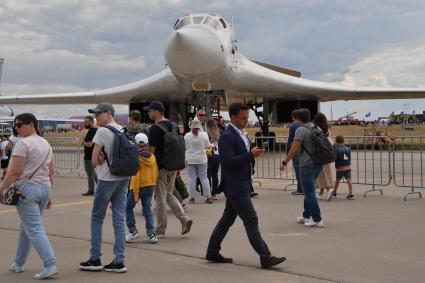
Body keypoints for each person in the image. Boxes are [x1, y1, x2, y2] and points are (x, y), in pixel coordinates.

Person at [206, 102, 286, 269]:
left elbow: (241, 154)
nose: (245, 120)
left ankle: (212, 251)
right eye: (243, 118)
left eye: (247, 117)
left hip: (241, 183)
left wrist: (252, 152)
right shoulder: (227, 136)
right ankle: (265, 256)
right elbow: (227, 161)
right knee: (251, 219)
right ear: (233, 117)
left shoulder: (241, 133)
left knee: (226, 220)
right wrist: (250, 155)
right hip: (235, 185)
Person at [0, 113, 57, 280]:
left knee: (34, 229)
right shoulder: (46, 143)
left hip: (27, 191)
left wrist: (1, 188)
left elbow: (14, 172)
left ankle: (50, 263)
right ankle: (18, 263)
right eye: (15, 125)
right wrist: (50, 194)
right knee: (27, 227)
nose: (17, 128)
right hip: (44, 189)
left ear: (32, 124)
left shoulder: (22, 144)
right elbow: (51, 171)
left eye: (20, 125)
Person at [79, 102, 130, 273]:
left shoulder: (102, 131)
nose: (96, 117)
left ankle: (95, 258)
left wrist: (99, 160)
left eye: (98, 114)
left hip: (107, 178)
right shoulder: (122, 129)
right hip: (123, 177)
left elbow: (94, 161)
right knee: (119, 219)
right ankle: (119, 260)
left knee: (97, 218)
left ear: (109, 113)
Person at [145, 100, 192, 237]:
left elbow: (151, 152)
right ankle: (184, 219)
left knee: (160, 198)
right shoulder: (173, 125)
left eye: (149, 110)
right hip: (173, 166)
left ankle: (160, 230)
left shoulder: (155, 128)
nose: (148, 113)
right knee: (169, 194)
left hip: (160, 168)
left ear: (156, 111)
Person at [280, 108, 324, 228]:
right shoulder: (316, 128)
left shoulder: (301, 130)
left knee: (309, 191)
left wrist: (285, 162)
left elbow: (294, 149)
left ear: (298, 118)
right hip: (318, 163)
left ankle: (317, 218)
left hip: (307, 164)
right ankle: (306, 215)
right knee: (309, 190)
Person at [126, 133, 159, 243]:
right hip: (149, 186)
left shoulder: (137, 158)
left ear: (136, 145)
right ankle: (151, 234)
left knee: (128, 207)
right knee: (147, 210)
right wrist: (153, 185)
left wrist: (135, 193)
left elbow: (136, 177)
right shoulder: (152, 157)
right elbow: (156, 173)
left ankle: (132, 231)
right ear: (147, 144)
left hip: (138, 187)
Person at [185, 119, 213, 204]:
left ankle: (192, 197)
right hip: (202, 159)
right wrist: (209, 155)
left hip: (190, 159)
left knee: (192, 178)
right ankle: (208, 196)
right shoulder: (204, 135)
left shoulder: (187, 136)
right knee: (204, 178)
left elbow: (185, 147)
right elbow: (208, 146)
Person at [313, 113, 334, 201]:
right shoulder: (326, 128)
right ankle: (321, 193)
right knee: (327, 172)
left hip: (320, 154)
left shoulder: (316, 129)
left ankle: (329, 189)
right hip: (327, 153)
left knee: (321, 174)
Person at [287, 110, 303, 195]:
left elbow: (290, 139)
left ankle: (300, 189)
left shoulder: (293, 127)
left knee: (297, 169)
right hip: (303, 150)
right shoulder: (302, 125)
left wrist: (287, 151)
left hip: (295, 150)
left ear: (293, 117)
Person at [81, 116, 98, 196]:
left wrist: (83, 143)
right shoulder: (93, 130)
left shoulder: (92, 131)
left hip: (89, 157)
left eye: (86, 122)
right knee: (93, 173)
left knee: (90, 174)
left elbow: (90, 144)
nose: (84, 124)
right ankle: (99, 187)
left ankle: (91, 190)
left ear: (91, 122)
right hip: (90, 156)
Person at [206, 119, 220, 199]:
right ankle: (214, 193)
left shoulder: (207, 134)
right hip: (217, 156)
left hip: (209, 155)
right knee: (215, 175)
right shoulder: (218, 133)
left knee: (208, 175)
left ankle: (208, 193)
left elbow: (207, 146)